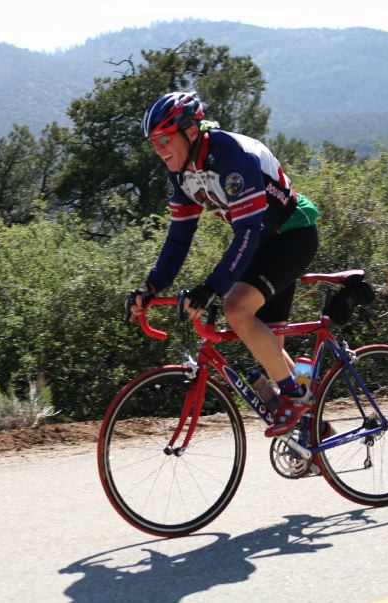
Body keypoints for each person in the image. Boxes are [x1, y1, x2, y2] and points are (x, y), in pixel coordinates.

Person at [125, 91, 320, 438]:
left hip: (292, 234)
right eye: (153, 142)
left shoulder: (229, 155)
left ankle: (294, 397)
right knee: (271, 351)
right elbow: (178, 239)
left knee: (236, 310)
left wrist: (211, 287)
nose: (159, 149)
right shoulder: (181, 174)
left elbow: (248, 230)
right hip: (261, 242)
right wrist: (151, 286)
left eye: (165, 139)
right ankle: (316, 429)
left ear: (190, 131)